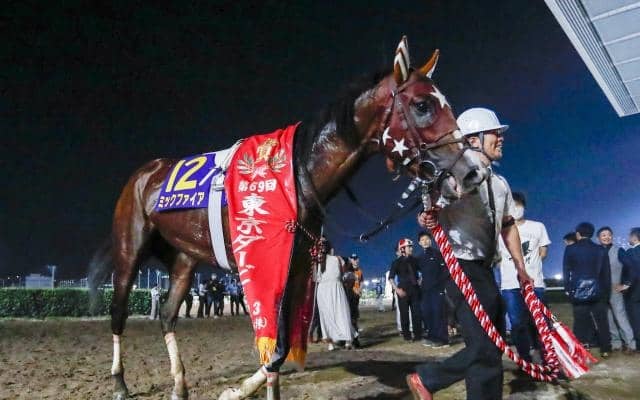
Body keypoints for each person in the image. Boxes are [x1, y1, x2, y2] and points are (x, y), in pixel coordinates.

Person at [407, 107, 533, 400]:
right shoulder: (457, 175)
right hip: (461, 267)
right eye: (495, 133)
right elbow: (436, 200)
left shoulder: (500, 184)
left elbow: (508, 226)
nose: (501, 138)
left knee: (493, 345)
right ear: (474, 140)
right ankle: (428, 378)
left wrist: (520, 266)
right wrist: (426, 215)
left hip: (485, 269)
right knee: (485, 345)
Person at [498, 192, 550, 362]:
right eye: (511, 205)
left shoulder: (538, 227)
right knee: (517, 323)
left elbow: (543, 252)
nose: (515, 209)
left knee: (540, 321)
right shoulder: (498, 230)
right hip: (510, 284)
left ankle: (546, 357)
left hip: (535, 283)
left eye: (518, 205)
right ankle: (525, 359)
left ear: (524, 207)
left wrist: (528, 267)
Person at [563, 222, 612, 358]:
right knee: (602, 321)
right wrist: (606, 293)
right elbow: (606, 273)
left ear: (578, 234)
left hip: (578, 290)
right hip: (598, 290)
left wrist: (567, 288)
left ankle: (582, 348)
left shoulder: (570, 249)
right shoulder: (600, 249)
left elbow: (566, 271)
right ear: (592, 234)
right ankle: (605, 349)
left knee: (580, 321)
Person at [598, 226, 636, 351]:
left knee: (621, 317)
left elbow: (631, 267)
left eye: (609, 235)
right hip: (600, 291)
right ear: (598, 238)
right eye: (603, 235)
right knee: (608, 318)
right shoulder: (596, 251)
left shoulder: (619, 250)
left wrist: (626, 284)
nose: (607, 237)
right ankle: (616, 343)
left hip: (615, 289)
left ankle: (630, 343)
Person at [316, 239, 356, 350]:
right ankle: (342, 341)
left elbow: (315, 278)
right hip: (330, 288)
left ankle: (337, 342)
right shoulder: (329, 260)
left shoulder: (328, 260)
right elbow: (343, 273)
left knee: (333, 314)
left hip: (329, 288)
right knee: (335, 314)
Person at [416, 231, 449, 347]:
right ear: (419, 243)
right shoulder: (420, 257)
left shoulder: (438, 254)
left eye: (427, 239)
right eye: (422, 240)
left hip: (437, 288)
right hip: (426, 290)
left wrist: (442, 285)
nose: (425, 241)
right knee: (427, 313)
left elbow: (445, 270)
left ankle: (443, 339)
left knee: (438, 312)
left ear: (431, 240)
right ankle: (432, 337)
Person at [389, 238, 422, 341]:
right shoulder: (396, 262)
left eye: (411, 247)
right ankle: (407, 336)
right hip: (403, 291)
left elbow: (423, 271)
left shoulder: (415, 260)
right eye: (409, 247)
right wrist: (397, 290)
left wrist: (420, 280)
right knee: (404, 314)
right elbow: (391, 278)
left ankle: (418, 335)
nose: (411, 249)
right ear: (402, 249)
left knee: (417, 313)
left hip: (415, 290)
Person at [620, 227, 640, 346]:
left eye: (629, 236)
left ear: (634, 237)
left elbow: (632, 270)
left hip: (634, 291)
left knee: (635, 318)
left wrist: (626, 284)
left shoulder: (630, 252)